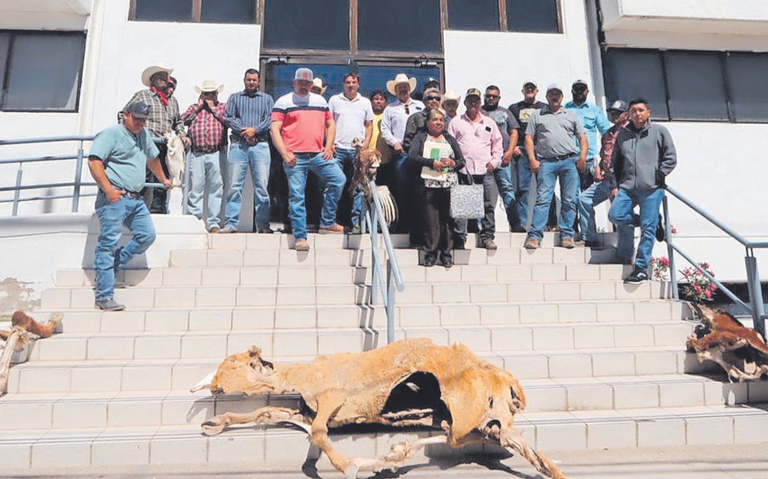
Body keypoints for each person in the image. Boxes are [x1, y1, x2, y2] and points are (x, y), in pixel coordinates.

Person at [88, 101, 173, 311]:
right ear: (125, 115)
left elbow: (152, 158)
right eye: (136, 119)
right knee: (107, 243)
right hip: (115, 197)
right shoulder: (111, 134)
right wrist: (108, 190)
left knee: (147, 235)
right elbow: (94, 161)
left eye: (143, 120)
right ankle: (104, 296)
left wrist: (163, 179)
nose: (140, 123)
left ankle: (112, 268)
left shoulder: (143, 134)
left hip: (136, 199)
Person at [271, 68, 345, 252]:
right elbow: (274, 129)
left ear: (312, 85)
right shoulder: (284, 101)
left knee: (339, 180)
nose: (303, 86)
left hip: (318, 154)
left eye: (307, 83)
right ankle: (300, 237)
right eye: (300, 82)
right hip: (295, 157)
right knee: (297, 196)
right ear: (294, 82)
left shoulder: (320, 101)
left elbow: (330, 123)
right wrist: (284, 153)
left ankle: (327, 223)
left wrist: (329, 145)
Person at [608, 99, 677, 283]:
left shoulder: (659, 132)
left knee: (647, 231)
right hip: (628, 187)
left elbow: (670, 157)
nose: (637, 114)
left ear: (649, 112)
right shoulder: (623, 135)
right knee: (616, 215)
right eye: (633, 111)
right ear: (629, 114)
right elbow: (615, 162)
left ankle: (640, 268)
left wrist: (660, 174)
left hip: (651, 189)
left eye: (640, 110)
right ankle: (653, 222)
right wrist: (614, 185)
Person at [523, 84, 588, 250]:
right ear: (546, 97)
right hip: (547, 162)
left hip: (569, 162)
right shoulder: (538, 115)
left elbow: (582, 138)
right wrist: (532, 159)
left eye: (557, 94)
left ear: (562, 97)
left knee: (569, 199)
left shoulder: (571, 115)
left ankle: (567, 235)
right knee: (543, 199)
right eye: (551, 94)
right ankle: (535, 235)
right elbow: (529, 138)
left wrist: (582, 157)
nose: (554, 97)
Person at [124, 63, 189, 214]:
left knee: (164, 177)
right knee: (144, 176)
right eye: (160, 77)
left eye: (165, 77)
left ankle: (158, 210)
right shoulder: (143, 96)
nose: (164, 80)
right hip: (146, 142)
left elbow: (178, 121)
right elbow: (125, 113)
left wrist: (182, 135)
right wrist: (131, 133)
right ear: (152, 80)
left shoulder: (172, 100)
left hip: (165, 145)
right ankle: (139, 209)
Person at [447, 88, 503, 250]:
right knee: (463, 204)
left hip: (486, 170)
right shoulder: (456, 122)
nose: (473, 103)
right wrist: (455, 163)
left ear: (480, 103)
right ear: (465, 103)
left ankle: (487, 237)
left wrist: (494, 162)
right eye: (470, 100)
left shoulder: (489, 122)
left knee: (489, 205)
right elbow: (450, 145)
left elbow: (497, 145)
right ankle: (460, 238)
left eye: (476, 100)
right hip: (464, 170)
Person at [409, 108, 465, 268]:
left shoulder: (449, 139)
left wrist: (453, 163)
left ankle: (446, 254)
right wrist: (431, 163)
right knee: (431, 220)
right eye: (435, 120)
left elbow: (462, 160)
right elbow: (412, 157)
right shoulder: (421, 138)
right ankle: (430, 253)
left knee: (448, 220)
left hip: (448, 184)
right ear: (428, 122)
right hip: (429, 185)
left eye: (441, 120)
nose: (438, 122)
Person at [223, 68, 275, 233]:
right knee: (234, 186)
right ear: (244, 80)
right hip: (239, 145)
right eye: (248, 79)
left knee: (262, 187)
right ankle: (231, 224)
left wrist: (255, 130)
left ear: (259, 81)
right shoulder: (235, 98)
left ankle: (262, 225)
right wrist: (246, 132)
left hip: (260, 145)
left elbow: (270, 119)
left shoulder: (267, 99)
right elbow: (229, 118)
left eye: (254, 80)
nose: (251, 82)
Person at [577, 100, 632, 251]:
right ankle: (590, 238)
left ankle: (625, 252)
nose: (614, 115)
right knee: (584, 199)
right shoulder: (608, 133)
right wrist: (599, 168)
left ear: (626, 115)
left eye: (617, 113)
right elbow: (604, 155)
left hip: (623, 182)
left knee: (620, 214)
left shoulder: (630, 133)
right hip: (606, 180)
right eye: (612, 113)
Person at [328, 73, 374, 233]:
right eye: (348, 82)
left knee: (358, 188)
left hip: (357, 151)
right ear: (343, 84)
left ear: (358, 85)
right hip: (338, 150)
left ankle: (356, 224)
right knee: (335, 185)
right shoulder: (334, 100)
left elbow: (369, 126)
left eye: (353, 82)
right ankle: (331, 221)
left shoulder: (365, 102)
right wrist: (329, 143)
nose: (351, 85)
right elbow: (329, 123)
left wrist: (366, 147)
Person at [181, 79, 228, 233]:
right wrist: (200, 107)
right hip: (196, 153)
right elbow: (183, 121)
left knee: (217, 187)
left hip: (216, 152)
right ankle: (195, 221)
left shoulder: (222, 107)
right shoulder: (194, 108)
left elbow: (227, 120)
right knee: (196, 188)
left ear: (216, 95)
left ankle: (213, 222)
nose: (208, 96)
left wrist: (212, 108)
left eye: (210, 94)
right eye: (205, 94)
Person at [381, 73, 425, 235]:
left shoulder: (420, 106)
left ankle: (420, 224)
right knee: (401, 189)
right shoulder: (390, 108)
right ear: (396, 90)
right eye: (400, 87)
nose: (403, 90)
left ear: (410, 89)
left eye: (405, 87)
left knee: (421, 189)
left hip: (420, 155)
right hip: (401, 154)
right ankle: (403, 224)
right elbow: (384, 129)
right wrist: (395, 143)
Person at [509, 80, 547, 232]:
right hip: (522, 153)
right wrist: (513, 147)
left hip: (541, 153)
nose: (530, 90)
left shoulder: (544, 107)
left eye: (532, 88)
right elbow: (510, 129)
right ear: (522, 90)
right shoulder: (514, 108)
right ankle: (522, 224)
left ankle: (550, 223)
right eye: (527, 88)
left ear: (537, 90)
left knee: (545, 188)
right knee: (522, 189)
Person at [481, 85, 520, 231]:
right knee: (482, 192)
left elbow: (514, 132)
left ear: (499, 98)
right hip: (485, 159)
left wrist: (510, 151)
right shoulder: (479, 112)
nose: (491, 98)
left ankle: (515, 224)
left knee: (507, 189)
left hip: (503, 157)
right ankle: (481, 225)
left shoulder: (505, 112)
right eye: (488, 96)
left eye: (494, 96)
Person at [565, 79, 612, 195]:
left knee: (587, 197)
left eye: (582, 89)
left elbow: (607, 133)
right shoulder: (564, 109)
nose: (579, 92)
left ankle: (586, 214)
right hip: (569, 159)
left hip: (589, 160)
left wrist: (604, 157)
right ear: (572, 91)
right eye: (577, 89)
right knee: (570, 196)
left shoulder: (595, 110)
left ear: (587, 91)